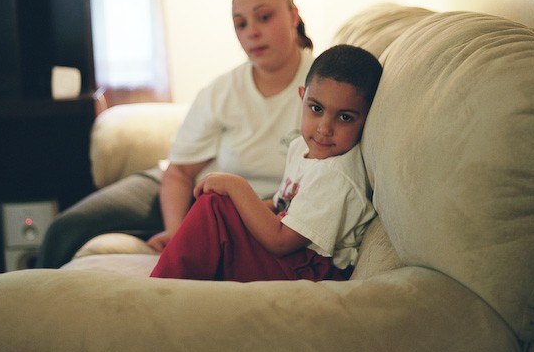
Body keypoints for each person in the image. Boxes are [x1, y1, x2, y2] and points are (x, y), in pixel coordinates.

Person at [36, 0, 314, 268]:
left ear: (293, 15)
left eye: (264, 17)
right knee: (64, 230)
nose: (252, 33)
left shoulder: (324, 89)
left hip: (238, 210)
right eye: (240, 24)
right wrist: (175, 231)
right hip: (177, 192)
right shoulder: (223, 91)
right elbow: (179, 173)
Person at [150, 44, 382, 282]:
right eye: (316, 108)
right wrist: (238, 207)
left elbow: (281, 242)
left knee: (216, 205)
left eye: (345, 117)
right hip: (291, 253)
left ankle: (164, 286)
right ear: (302, 98)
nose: (324, 129)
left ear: (366, 118)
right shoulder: (302, 147)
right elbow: (282, 202)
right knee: (221, 205)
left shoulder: (336, 176)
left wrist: (237, 187)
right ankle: (178, 277)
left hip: (308, 269)